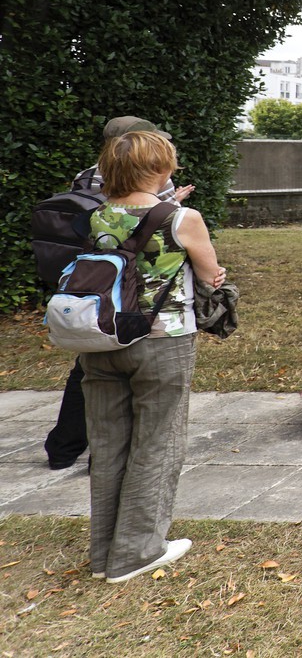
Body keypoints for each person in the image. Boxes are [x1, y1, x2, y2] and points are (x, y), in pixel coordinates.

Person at [80, 129, 224, 583]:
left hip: (101, 337)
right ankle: (138, 550)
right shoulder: (181, 217)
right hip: (162, 340)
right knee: (157, 441)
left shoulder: (97, 214)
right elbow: (211, 274)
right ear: (158, 168)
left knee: (108, 444)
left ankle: (104, 551)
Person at [44, 115, 195, 472]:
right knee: (141, 390)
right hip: (135, 291)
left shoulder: (86, 176)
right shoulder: (146, 176)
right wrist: (173, 200)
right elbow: (148, 222)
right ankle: (109, 457)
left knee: (87, 370)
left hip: (91, 286)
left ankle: (66, 448)